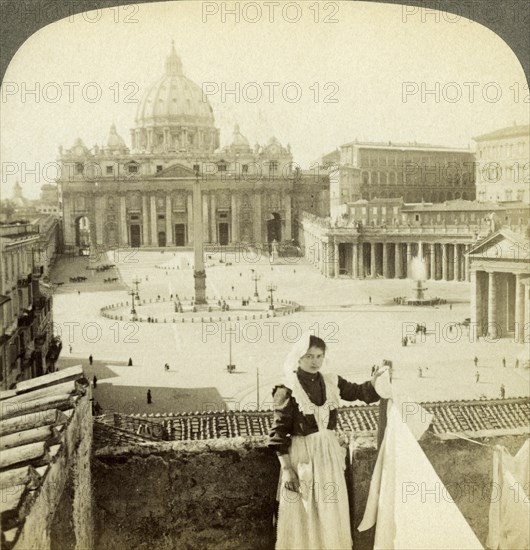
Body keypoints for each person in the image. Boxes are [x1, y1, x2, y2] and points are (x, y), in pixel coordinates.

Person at [268, 333, 385, 549]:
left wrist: (378, 380)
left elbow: (361, 392)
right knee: (305, 511)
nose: (314, 362)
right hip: (303, 456)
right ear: (298, 358)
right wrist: (287, 470)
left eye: (319, 356)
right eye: (309, 356)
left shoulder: (331, 380)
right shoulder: (287, 389)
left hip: (329, 456)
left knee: (331, 508)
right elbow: (277, 434)